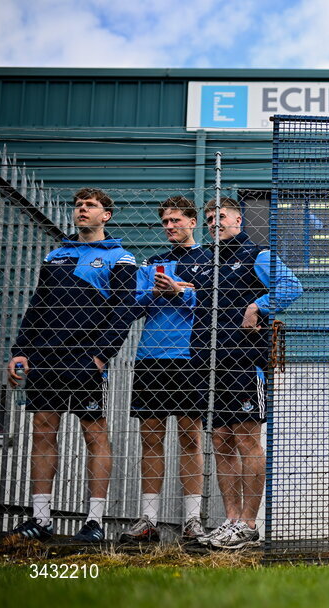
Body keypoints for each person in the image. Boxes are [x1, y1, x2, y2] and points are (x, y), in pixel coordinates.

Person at [6, 188, 137, 543]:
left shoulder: (121, 259)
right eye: (78, 206)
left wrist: (99, 355)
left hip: (84, 361)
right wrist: (21, 350)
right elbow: (37, 306)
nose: (81, 210)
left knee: (95, 434)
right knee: (43, 431)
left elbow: (123, 312)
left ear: (105, 216)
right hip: (45, 358)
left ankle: (94, 522)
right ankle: (41, 518)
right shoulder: (56, 256)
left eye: (90, 206)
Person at [196, 197, 303, 550]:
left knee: (246, 440)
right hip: (209, 365)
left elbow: (291, 287)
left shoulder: (258, 255)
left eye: (221, 217)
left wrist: (258, 305)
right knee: (219, 440)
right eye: (210, 219)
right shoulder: (206, 264)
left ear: (239, 219)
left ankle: (249, 523)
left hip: (245, 362)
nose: (215, 223)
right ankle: (231, 521)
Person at [118, 197, 213, 544]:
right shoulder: (154, 263)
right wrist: (163, 293)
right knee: (151, 438)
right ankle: (149, 520)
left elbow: (215, 305)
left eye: (176, 220)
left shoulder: (209, 260)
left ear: (192, 221)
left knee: (190, 437)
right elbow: (133, 305)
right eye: (165, 222)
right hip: (150, 356)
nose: (170, 226)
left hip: (190, 357)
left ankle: (192, 521)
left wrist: (184, 294)